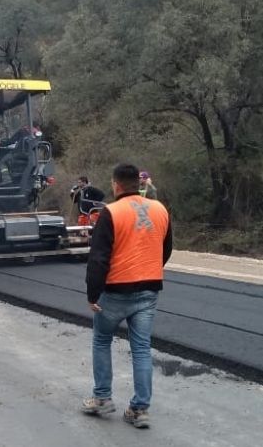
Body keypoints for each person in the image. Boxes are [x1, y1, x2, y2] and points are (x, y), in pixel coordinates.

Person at [82, 163, 172, 429]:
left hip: (115, 292)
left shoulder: (110, 212)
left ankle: (102, 399)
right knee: (142, 348)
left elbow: (98, 259)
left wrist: (92, 294)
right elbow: (165, 249)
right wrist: (150, 270)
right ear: (138, 183)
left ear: (116, 185)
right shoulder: (160, 209)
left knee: (101, 341)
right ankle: (139, 409)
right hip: (149, 290)